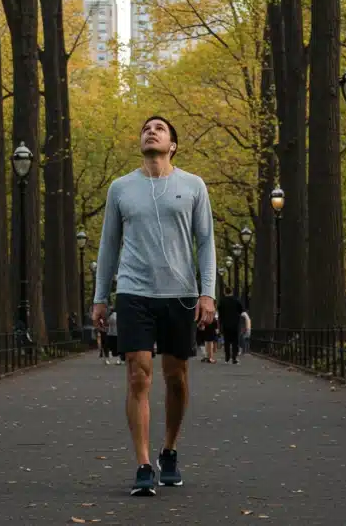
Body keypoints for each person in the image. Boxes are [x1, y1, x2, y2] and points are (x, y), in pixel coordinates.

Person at [91, 115, 217, 496]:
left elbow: (206, 241)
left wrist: (207, 292)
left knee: (176, 377)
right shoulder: (121, 188)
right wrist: (100, 297)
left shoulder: (193, 186)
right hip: (134, 293)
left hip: (179, 294)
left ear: (172, 145)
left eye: (160, 128)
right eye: (146, 128)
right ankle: (144, 463)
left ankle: (170, 451)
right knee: (137, 373)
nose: (152, 131)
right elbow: (108, 244)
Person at [217, 294, 243, 364]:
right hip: (235, 324)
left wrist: (221, 321)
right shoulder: (236, 300)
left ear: (225, 292)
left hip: (226, 324)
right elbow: (241, 310)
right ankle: (234, 357)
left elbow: (220, 312)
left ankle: (227, 357)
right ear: (231, 292)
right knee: (235, 342)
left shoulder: (222, 301)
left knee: (227, 341)